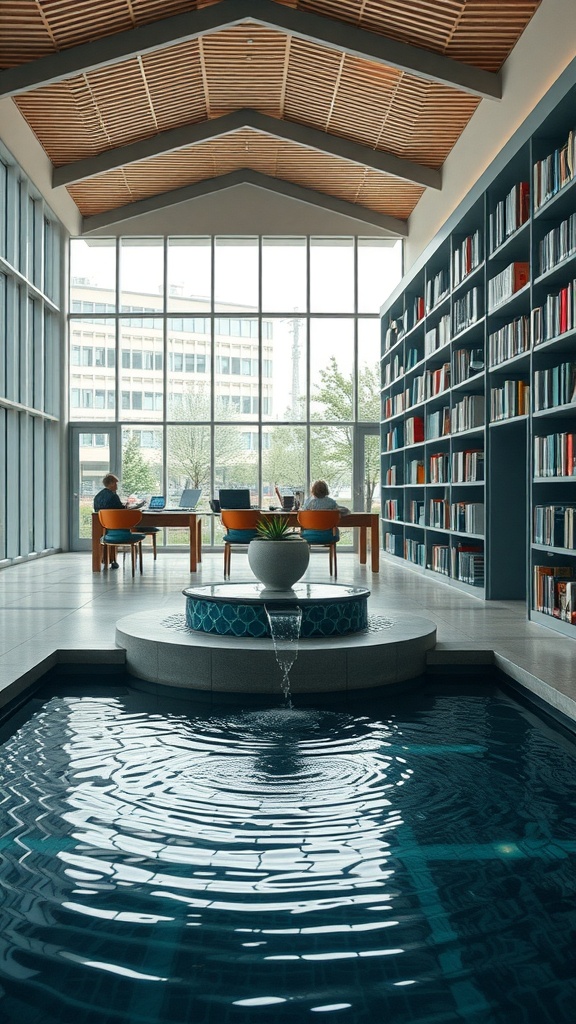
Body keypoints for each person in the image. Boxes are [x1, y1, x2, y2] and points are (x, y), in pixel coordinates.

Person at [93, 474, 145, 569]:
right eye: (116, 483)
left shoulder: (98, 496)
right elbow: (120, 511)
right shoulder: (113, 496)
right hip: (118, 529)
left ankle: (104, 561)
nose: (117, 485)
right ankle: (113, 560)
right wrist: (129, 507)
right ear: (112, 483)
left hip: (105, 528)